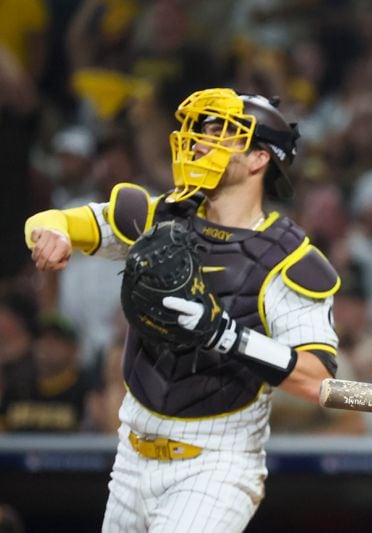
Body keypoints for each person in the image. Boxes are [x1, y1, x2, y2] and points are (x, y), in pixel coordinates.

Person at [24, 88, 340, 532]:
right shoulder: (159, 217)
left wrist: (226, 334)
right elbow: (53, 220)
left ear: (258, 159)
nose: (198, 141)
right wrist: (51, 235)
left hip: (216, 464)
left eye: (219, 132)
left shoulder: (290, 260)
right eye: (199, 130)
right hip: (131, 455)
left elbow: (319, 380)